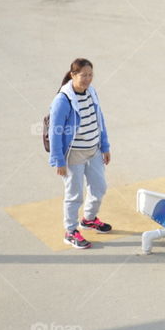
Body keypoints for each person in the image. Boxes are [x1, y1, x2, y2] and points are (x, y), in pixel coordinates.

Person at [48, 58, 112, 249]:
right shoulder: (63, 100)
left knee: (99, 187)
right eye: (83, 75)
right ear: (73, 75)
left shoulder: (91, 92)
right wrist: (58, 160)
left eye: (90, 75)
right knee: (74, 195)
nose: (87, 79)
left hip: (94, 150)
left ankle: (89, 219)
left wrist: (105, 146)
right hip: (74, 155)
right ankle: (70, 231)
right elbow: (55, 132)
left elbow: (99, 119)